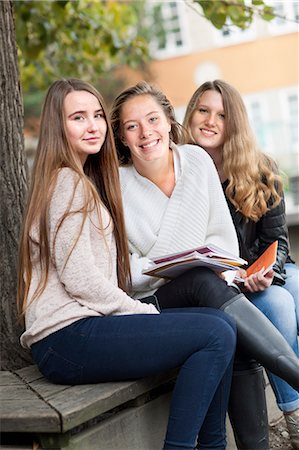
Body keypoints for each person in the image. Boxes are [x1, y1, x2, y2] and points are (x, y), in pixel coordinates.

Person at [17, 78, 241, 450]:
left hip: (83, 330)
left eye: (97, 116)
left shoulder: (81, 180)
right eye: (77, 117)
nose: (92, 126)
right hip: (66, 337)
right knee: (215, 334)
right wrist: (141, 312)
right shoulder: (67, 184)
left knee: (219, 324)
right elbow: (82, 280)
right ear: (58, 127)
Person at [110, 80, 299, 450]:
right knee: (207, 286)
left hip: (214, 284)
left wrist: (208, 264)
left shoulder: (195, 162)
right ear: (121, 135)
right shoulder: (114, 185)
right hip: (154, 301)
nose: (146, 132)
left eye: (152, 119)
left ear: (168, 120)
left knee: (229, 315)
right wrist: (170, 263)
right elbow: (122, 273)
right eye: (132, 126)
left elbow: (223, 240)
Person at [183, 79, 299, 449]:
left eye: (222, 115)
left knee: (293, 288)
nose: (211, 121)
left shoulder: (260, 168)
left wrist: (268, 272)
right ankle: (294, 415)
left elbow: (278, 240)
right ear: (191, 113)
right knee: (281, 304)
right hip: (223, 286)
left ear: (236, 124)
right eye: (203, 110)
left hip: (264, 271)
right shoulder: (181, 172)